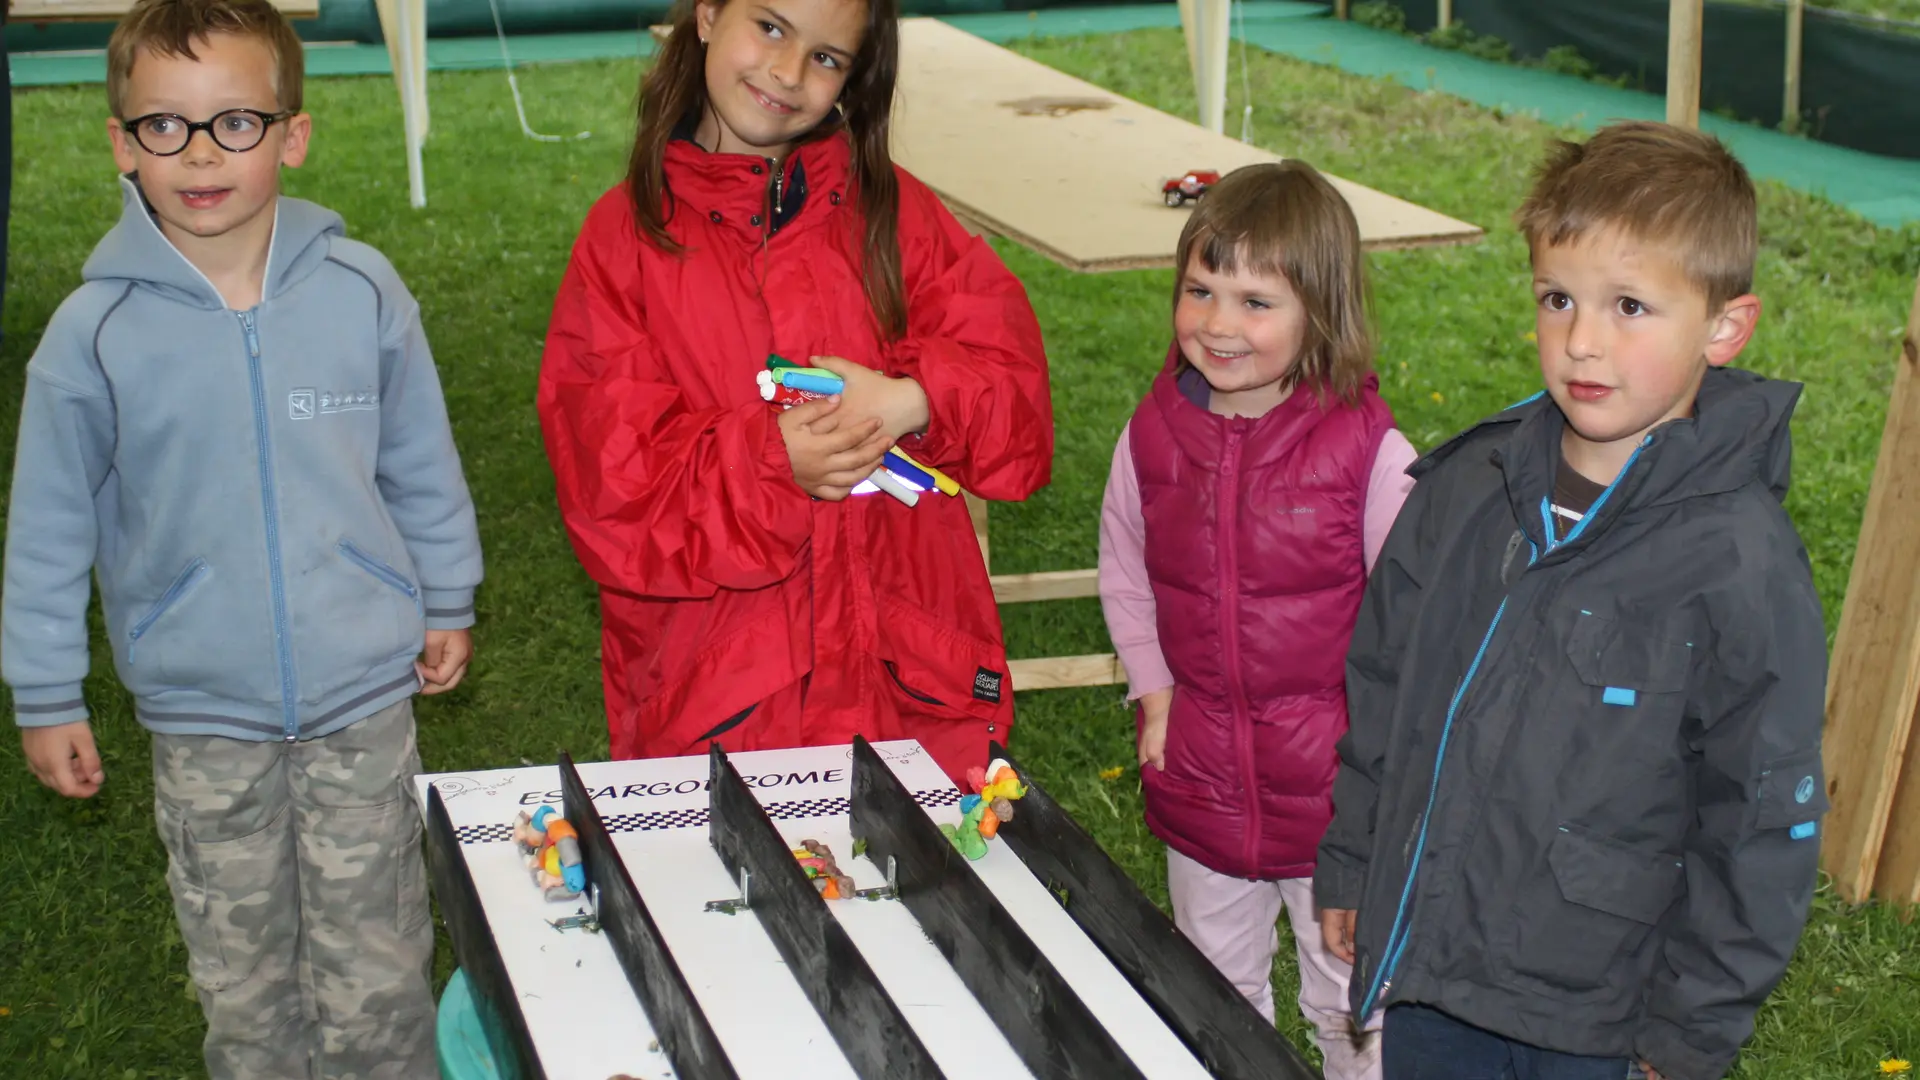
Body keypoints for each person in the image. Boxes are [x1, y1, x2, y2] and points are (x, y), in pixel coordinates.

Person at [2, 2, 483, 1075]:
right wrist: (47, 694)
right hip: (200, 715)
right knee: (244, 974)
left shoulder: (363, 292)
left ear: (292, 136)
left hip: (363, 694)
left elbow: (420, 463)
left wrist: (447, 596)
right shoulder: (94, 335)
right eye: (166, 126)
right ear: (124, 144)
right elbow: (46, 530)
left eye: (235, 123)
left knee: (377, 962)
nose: (201, 154)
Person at [1315, 121, 1827, 1080]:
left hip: (1600, 1020)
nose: (1582, 341)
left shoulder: (1742, 563)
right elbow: (1382, 686)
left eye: (1630, 305)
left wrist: (1689, 1031)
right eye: (1558, 298)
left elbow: (1760, 822)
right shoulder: (1468, 492)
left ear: (1725, 326)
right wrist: (1355, 861)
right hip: (1434, 976)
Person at [538, 0, 1051, 783]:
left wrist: (915, 400)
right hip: (721, 707)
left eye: (826, 58)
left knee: (917, 902)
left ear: (853, 79)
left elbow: (1017, 402)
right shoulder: (624, 244)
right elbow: (612, 493)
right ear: (708, 14)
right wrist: (773, 464)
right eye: (771, 27)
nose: (786, 73)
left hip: (909, 695)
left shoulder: (894, 215)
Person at [1097, 160, 1418, 1079]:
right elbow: (1124, 566)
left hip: (1336, 806)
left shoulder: (1371, 454)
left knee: (1351, 1003)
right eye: (1200, 290)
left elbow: (1416, 627)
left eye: (1254, 300)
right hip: (1200, 781)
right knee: (1211, 991)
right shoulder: (1152, 433)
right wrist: (1155, 694)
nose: (1218, 324)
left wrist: (1382, 768)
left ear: (1323, 311)